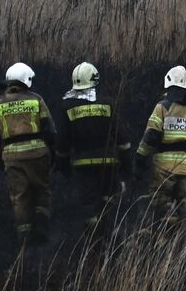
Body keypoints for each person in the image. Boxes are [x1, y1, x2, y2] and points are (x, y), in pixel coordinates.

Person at [55, 62, 131, 230]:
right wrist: (127, 165)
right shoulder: (108, 103)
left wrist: (62, 164)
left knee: (89, 205)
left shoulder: (67, 106)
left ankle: (92, 240)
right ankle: (109, 239)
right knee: (108, 201)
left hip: (83, 166)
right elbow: (121, 138)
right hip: (108, 163)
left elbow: (62, 141)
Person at [0, 62, 57, 244]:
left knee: (20, 196)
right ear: (26, 79)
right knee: (42, 190)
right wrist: (54, 151)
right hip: (38, 153)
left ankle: (24, 237)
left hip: (12, 157)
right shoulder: (36, 99)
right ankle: (42, 229)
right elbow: (49, 129)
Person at [135, 65, 186, 221]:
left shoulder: (162, 107)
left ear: (168, 84)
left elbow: (151, 136)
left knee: (161, 203)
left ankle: (165, 236)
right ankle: (180, 241)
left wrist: (140, 158)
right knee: (183, 206)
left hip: (164, 167)